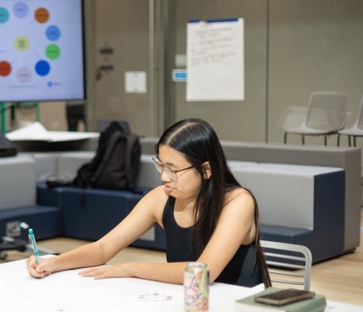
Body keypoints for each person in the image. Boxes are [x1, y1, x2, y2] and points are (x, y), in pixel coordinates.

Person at [28, 117, 271, 286]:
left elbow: (203, 274)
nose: (164, 176)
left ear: (206, 170)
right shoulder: (161, 198)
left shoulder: (237, 202)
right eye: (161, 165)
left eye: (173, 170)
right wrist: (51, 263)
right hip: (186, 304)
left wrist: (130, 268)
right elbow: (103, 248)